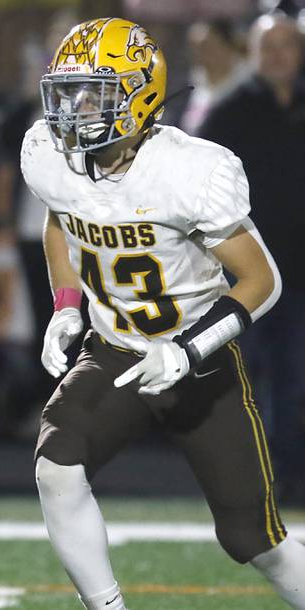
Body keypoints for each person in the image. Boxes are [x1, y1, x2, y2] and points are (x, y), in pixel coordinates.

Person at [20, 18, 305, 610]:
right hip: (114, 350)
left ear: (139, 94)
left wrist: (186, 349)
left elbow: (262, 280)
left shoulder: (188, 170)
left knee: (255, 541)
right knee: (57, 465)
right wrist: (67, 307)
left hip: (195, 358)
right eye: (67, 91)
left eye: (93, 93)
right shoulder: (52, 154)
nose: (73, 109)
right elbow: (61, 218)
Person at [197, 12, 305, 503]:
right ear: (254, 53)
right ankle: (253, 477)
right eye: (270, 45)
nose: (279, 54)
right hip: (250, 274)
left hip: (302, 274)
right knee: (248, 379)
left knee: (296, 381)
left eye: (288, 44)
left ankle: (294, 474)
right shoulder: (231, 111)